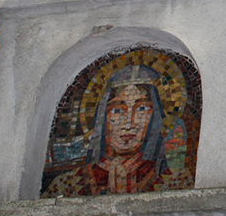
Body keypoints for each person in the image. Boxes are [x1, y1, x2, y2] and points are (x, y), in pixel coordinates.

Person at [45, 65, 173, 197]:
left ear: (154, 118)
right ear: (103, 118)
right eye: (117, 110)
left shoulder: (172, 182)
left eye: (142, 109)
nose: (128, 123)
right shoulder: (66, 185)